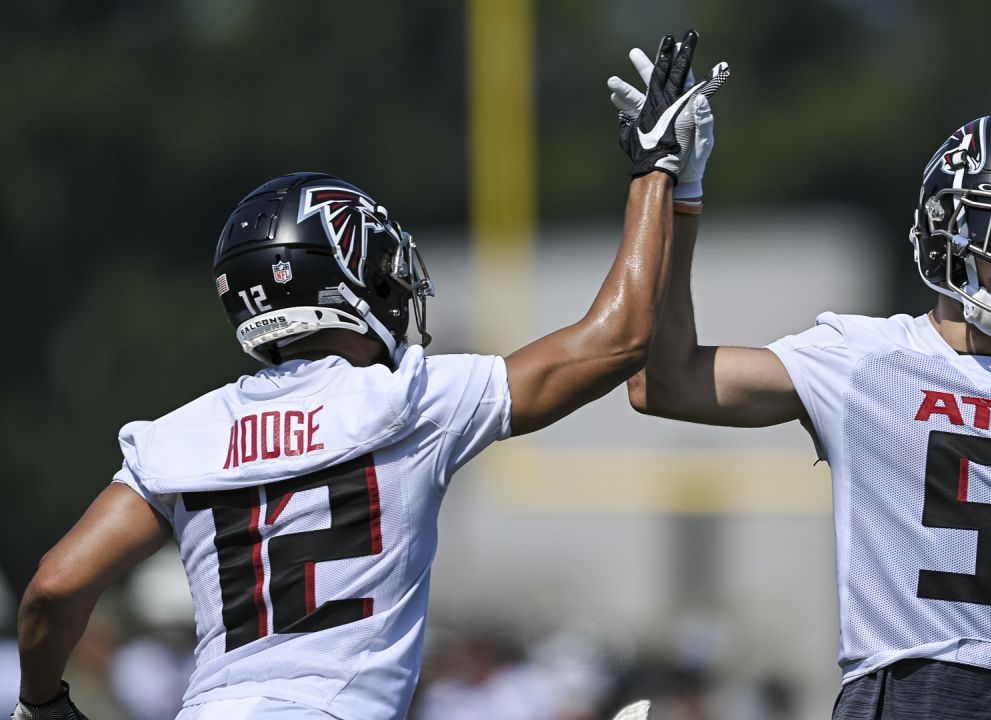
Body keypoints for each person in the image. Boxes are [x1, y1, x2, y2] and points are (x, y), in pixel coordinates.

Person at [11, 30, 727, 720]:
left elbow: (54, 588)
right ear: (353, 277)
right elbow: (621, 336)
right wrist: (659, 172)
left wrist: (41, 702)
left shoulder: (179, 437)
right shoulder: (409, 399)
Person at [623, 102, 991, 719]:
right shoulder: (859, 358)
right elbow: (665, 383)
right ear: (948, 221)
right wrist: (674, 192)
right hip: (897, 685)